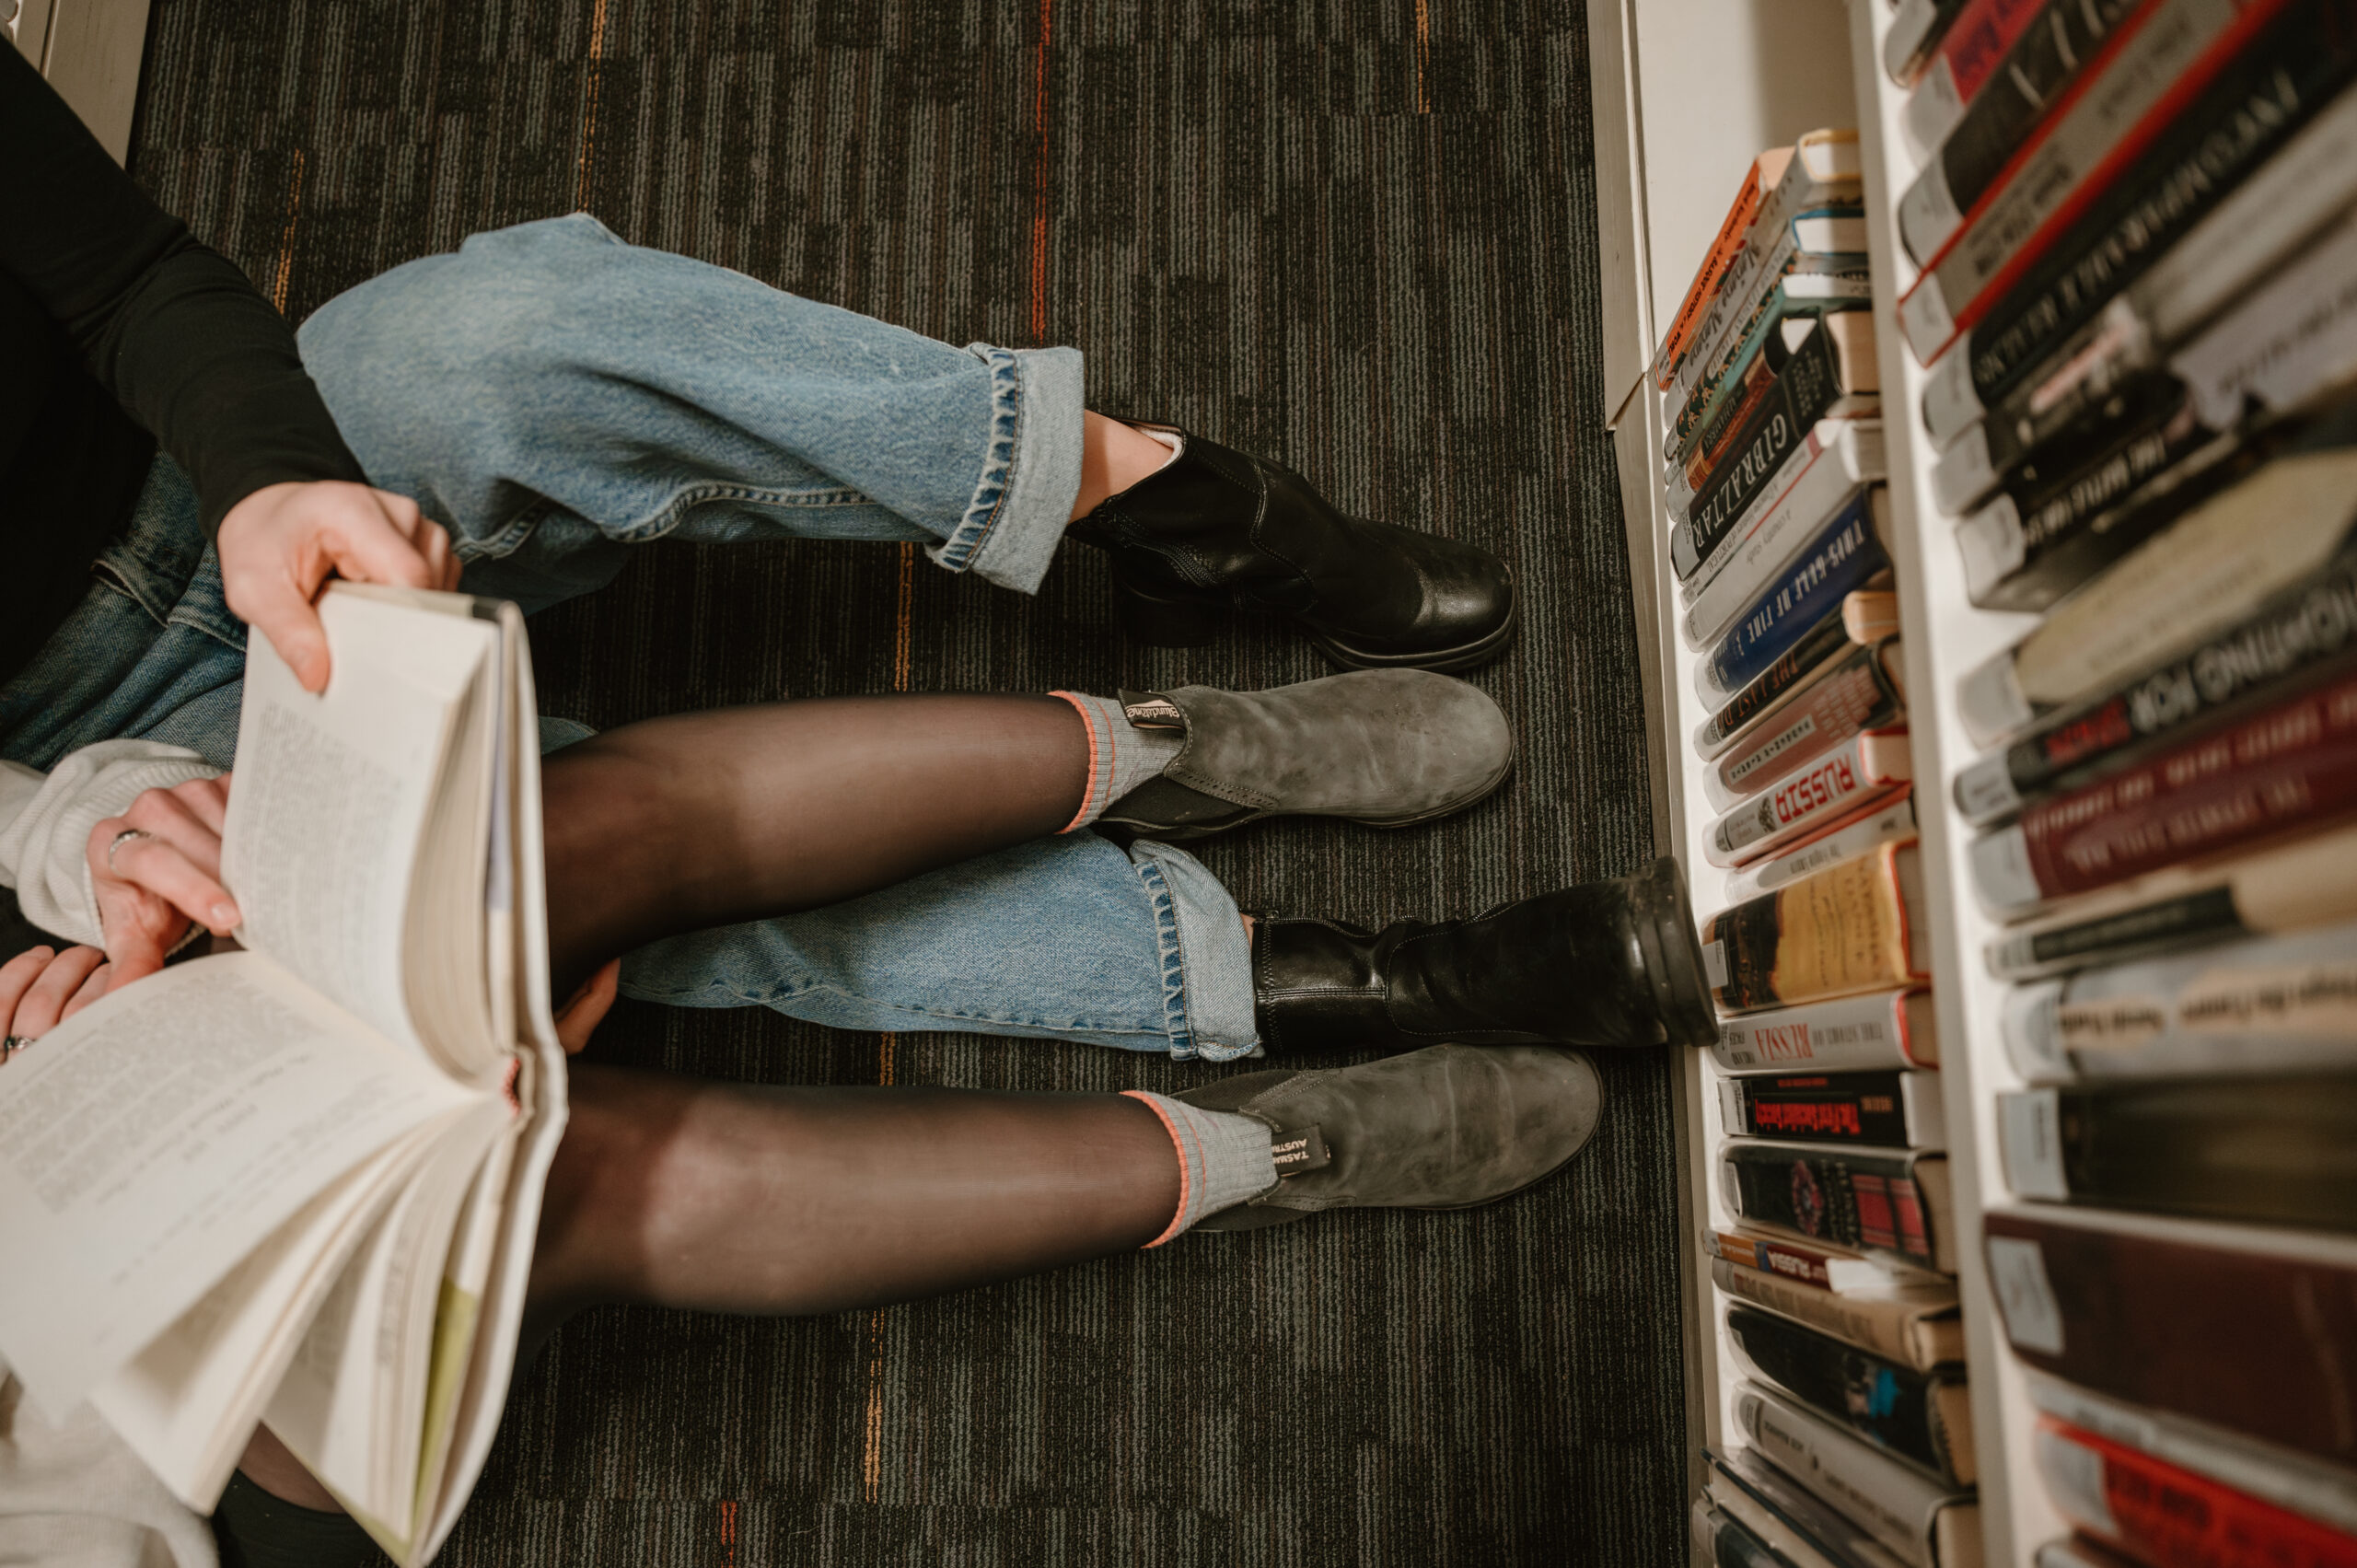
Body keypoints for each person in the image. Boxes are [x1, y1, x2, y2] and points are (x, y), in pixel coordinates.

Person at [0, 38, 1714, 1568]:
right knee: (528, 952)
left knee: (498, 339)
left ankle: (1179, 515)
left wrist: (91, 818)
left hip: (176, 599)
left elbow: (130, 276)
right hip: (90, 1184)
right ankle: (1283, 1045)